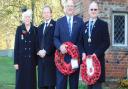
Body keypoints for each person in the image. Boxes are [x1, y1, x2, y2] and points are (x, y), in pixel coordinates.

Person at [79, 1, 110, 89]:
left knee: (96, 87)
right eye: (91, 9)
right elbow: (80, 42)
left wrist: (95, 54)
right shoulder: (84, 25)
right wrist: (83, 53)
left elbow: (106, 42)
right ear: (89, 11)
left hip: (97, 61)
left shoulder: (103, 24)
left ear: (98, 11)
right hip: (87, 63)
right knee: (89, 86)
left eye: (95, 9)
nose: (93, 11)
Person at [54, 0, 84, 89]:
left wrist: (77, 46)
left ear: (74, 8)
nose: (70, 7)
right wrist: (60, 46)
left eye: (72, 6)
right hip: (61, 58)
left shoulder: (80, 21)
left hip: (75, 58)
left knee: (74, 85)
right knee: (60, 84)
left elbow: (82, 38)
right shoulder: (59, 21)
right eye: (68, 6)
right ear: (65, 8)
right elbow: (55, 38)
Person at [14, 9, 37, 89]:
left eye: (28, 17)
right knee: (21, 83)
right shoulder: (19, 29)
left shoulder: (34, 29)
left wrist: (36, 62)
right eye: (25, 17)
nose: (27, 19)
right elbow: (16, 46)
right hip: (21, 62)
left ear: (30, 18)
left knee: (30, 83)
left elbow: (36, 46)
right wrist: (16, 62)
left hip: (31, 62)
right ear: (23, 18)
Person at [36, 5, 56, 89]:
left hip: (50, 60)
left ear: (51, 14)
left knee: (50, 85)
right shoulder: (39, 27)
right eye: (44, 12)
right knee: (41, 85)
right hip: (41, 60)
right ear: (43, 15)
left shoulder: (55, 25)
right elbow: (36, 42)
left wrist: (46, 51)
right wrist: (38, 51)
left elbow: (55, 40)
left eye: (48, 12)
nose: (46, 14)